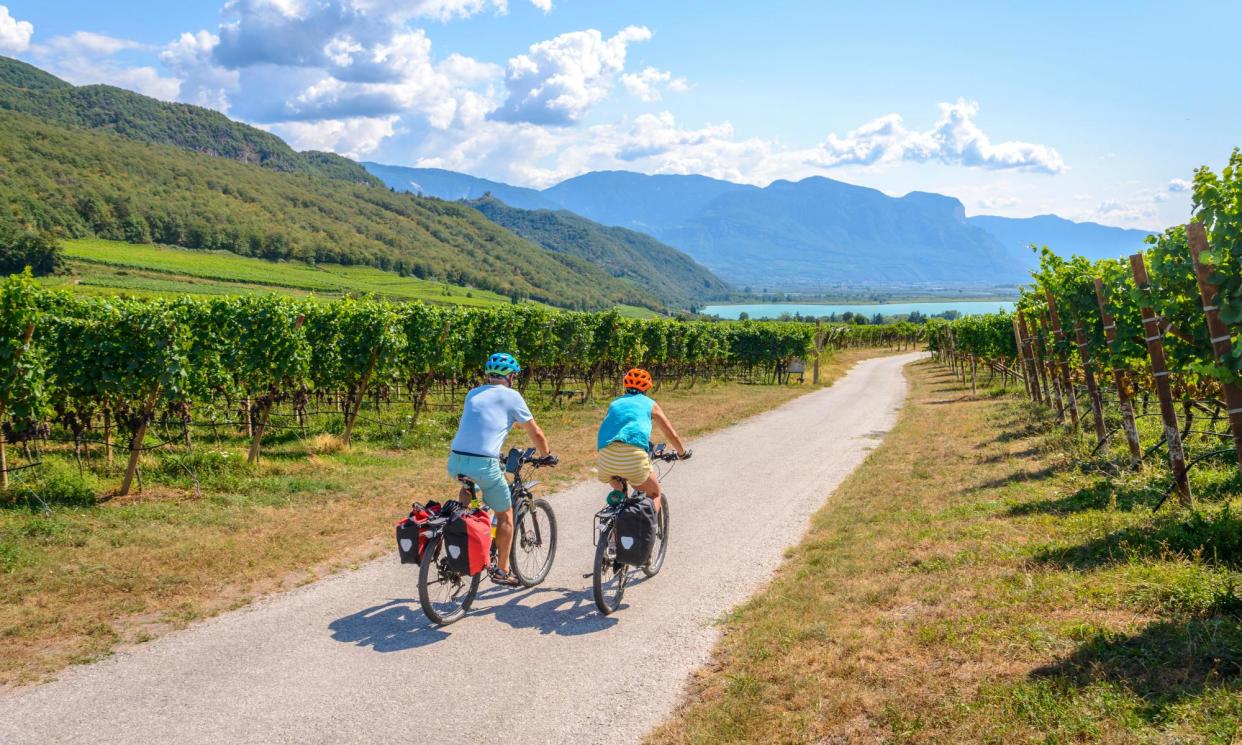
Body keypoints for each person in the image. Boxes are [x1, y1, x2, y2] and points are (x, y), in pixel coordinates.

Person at [448, 352, 551, 587]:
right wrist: (546, 455)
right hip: (484, 464)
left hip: (456, 461)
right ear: (511, 376)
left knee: (470, 488)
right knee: (505, 515)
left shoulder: (473, 393)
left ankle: (469, 524)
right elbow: (536, 433)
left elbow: (484, 419)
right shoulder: (512, 396)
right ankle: (502, 570)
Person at [595, 368, 689, 513]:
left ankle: (614, 523)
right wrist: (682, 453)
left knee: (620, 489)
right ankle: (648, 532)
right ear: (647, 388)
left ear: (626, 386)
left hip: (605, 459)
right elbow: (671, 435)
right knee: (655, 493)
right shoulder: (649, 404)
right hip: (633, 459)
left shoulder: (615, 403)